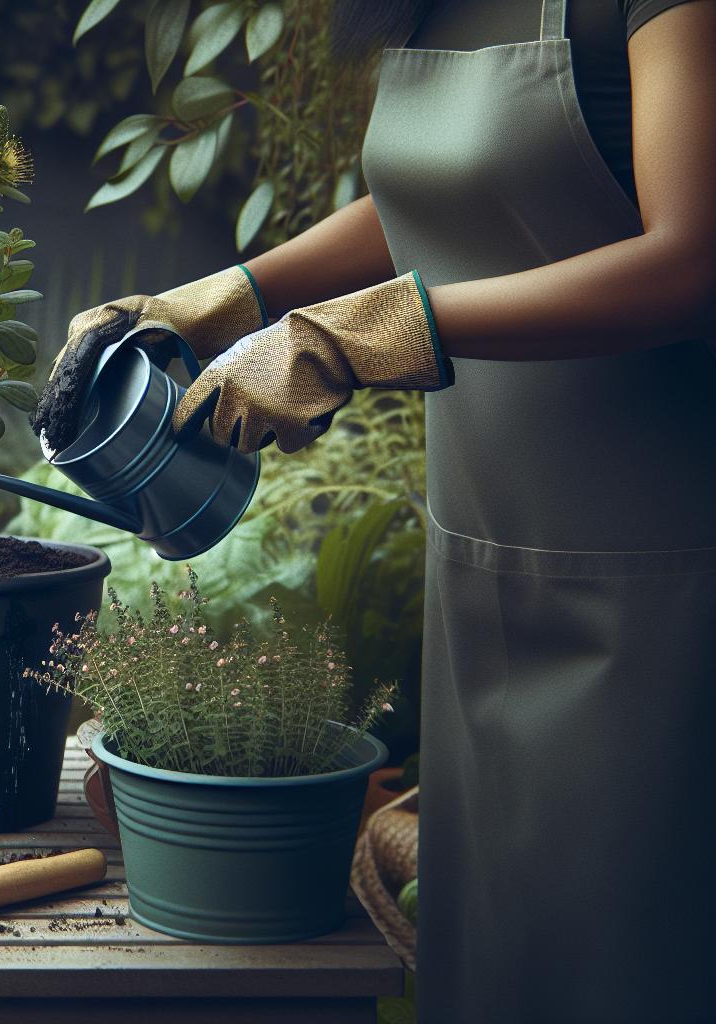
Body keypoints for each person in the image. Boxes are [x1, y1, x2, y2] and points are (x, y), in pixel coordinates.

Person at [38, 1, 716, 1019]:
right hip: (483, 563)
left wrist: (365, 335)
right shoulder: (419, 5)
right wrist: (232, 294)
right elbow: (435, 195)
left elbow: (691, 263)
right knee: (491, 960)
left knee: (628, 955)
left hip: (658, 578)